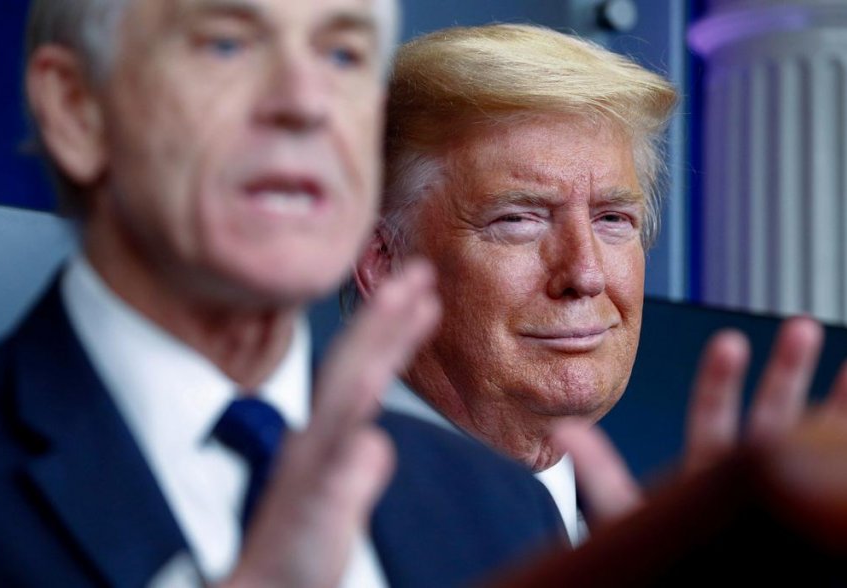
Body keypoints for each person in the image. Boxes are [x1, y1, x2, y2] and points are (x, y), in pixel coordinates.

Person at [0, 2, 563, 587]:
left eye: (342, 54)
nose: (307, 103)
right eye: (226, 44)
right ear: (78, 109)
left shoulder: (504, 515)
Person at [350, 22, 847, 542]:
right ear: (384, 261)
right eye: (519, 219)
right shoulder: (290, 507)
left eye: (612, 219)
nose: (585, 274)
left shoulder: (676, 529)